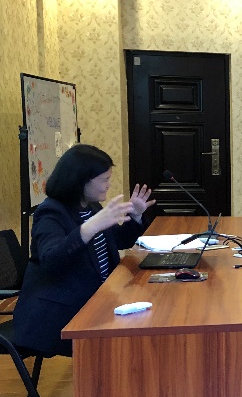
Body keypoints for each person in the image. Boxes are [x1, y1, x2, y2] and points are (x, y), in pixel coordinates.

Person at [13, 144, 155, 357]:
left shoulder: (91, 207)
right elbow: (52, 259)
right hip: (59, 314)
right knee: (132, 340)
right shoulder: (50, 213)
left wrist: (135, 215)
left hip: (97, 299)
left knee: (148, 320)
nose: (108, 185)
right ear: (81, 181)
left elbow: (118, 240)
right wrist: (89, 227)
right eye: (104, 180)